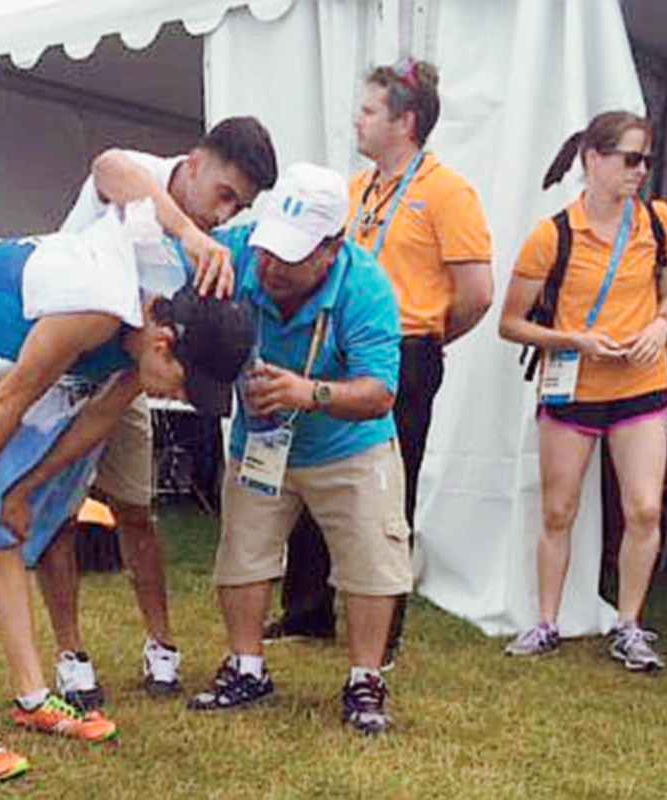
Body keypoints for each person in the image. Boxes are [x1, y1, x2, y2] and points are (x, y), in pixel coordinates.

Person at [0, 213, 254, 782]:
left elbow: (95, 421)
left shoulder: (150, 333)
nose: (178, 397)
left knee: (0, 528)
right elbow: (13, 399)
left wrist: (20, 491)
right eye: (182, 383)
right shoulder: (97, 310)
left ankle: (32, 697)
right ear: (164, 343)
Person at [40, 116, 278, 710]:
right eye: (225, 195)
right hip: (60, 371)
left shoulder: (202, 250)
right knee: (57, 516)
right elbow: (106, 166)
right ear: (194, 163)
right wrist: (187, 233)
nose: (224, 215)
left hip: (125, 380)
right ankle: (70, 653)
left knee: (136, 510)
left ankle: (161, 642)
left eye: (239, 206)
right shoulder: (143, 176)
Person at [266, 59, 494, 666]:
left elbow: (477, 293)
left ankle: (383, 631)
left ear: (405, 122)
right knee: (314, 467)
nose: (357, 121)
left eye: (369, 111)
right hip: (333, 346)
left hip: (404, 351)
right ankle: (306, 610)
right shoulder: (354, 189)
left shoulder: (447, 192)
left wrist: (428, 336)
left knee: (389, 486)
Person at [183, 163, 408, 735]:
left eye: (290, 255)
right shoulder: (236, 253)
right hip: (261, 439)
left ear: (331, 249)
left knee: (372, 559)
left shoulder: (367, 289)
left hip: (350, 445)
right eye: (267, 250)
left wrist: (310, 393)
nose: (270, 267)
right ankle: (246, 666)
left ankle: (365, 679)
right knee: (243, 549)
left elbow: (380, 392)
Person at [498, 111, 667, 671]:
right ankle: (546, 622)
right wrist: (573, 340)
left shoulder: (659, 222)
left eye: (646, 160)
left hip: (642, 383)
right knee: (558, 509)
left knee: (645, 508)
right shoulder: (552, 234)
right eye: (630, 159)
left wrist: (661, 325)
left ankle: (629, 625)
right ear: (593, 159)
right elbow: (510, 323)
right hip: (573, 386)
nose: (640, 171)